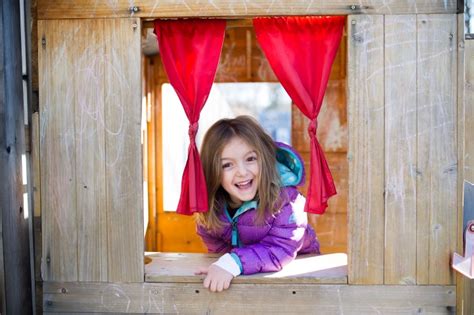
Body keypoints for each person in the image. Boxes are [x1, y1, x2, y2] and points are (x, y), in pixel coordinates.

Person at [195, 115, 320, 292]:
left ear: (265, 159)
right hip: (250, 276)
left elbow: (281, 249)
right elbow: (219, 251)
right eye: (227, 165)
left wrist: (232, 262)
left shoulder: (287, 200)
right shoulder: (212, 209)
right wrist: (224, 265)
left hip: (300, 278)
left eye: (250, 159)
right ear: (213, 171)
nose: (242, 172)